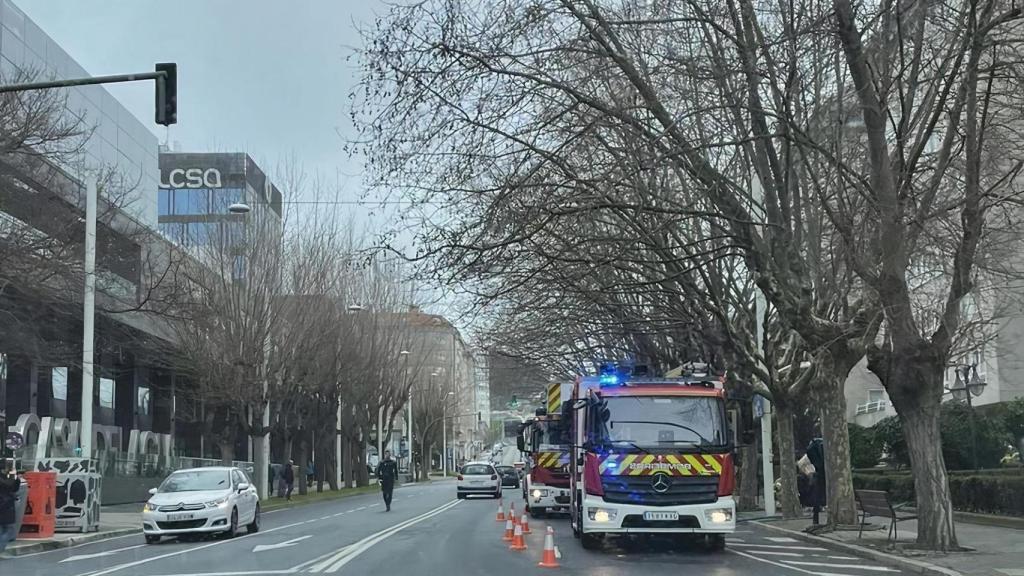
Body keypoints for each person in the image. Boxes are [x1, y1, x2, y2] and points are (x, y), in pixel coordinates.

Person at [0, 461, 20, 554]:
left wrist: (17, 478)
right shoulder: (3, 479)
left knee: (4, 529)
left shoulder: (5, 478)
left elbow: (14, 488)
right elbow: (9, 486)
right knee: (9, 530)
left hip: (5, 507)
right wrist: (13, 476)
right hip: (5, 507)